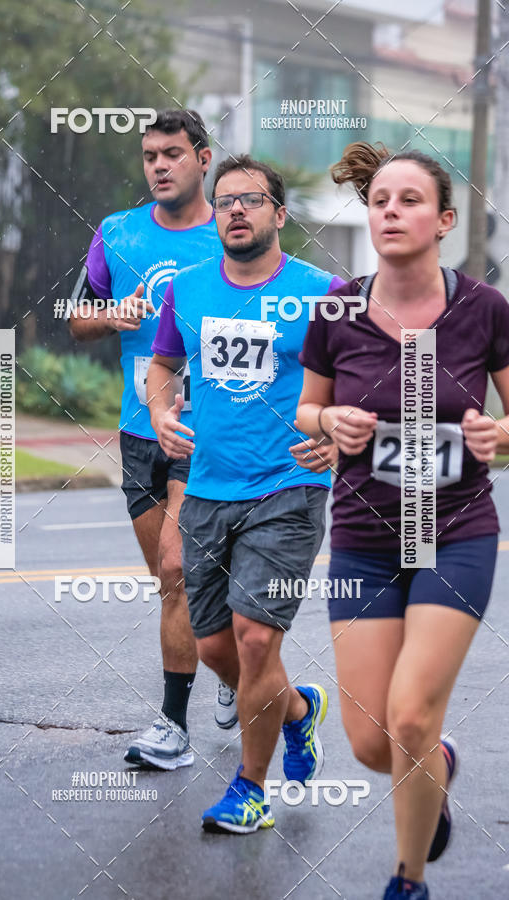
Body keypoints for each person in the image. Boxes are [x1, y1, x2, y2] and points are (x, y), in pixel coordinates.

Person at [297, 141, 509, 898]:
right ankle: (438, 768)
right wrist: (332, 421)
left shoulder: (485, 310)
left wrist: (501, 435)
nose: (391, 210)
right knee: (369, 742)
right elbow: (307, 407)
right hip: (363, 538)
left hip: (455, 534)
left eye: (410, 200)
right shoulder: (336, 308)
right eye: (381, 199)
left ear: (445, 219)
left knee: (412, 717)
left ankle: (408, 880)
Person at [147, 154, 342, 833]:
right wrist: (162, 414)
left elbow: (375, 377)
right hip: (207, 488)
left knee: (257, 638)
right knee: (215, 649)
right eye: (226, 200)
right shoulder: (190, 288)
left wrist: (341, 438)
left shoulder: (325, 292)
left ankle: (248, 791)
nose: (235, 210)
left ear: (279, 215)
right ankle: (297, 709)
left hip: (290, 485)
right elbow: (164, 366)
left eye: (251, 200)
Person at [69, 109, 237, 771]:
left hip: (207, 427)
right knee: (175, 585)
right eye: (149, 156)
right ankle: (224, 660)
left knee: (175, 568)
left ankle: (172, 727)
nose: (159, 166)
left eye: (172, 153)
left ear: (202, 158)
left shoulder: (230, 232)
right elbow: (77, 320)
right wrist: (115, 314)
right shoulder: (117, 234)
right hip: (139, 428)